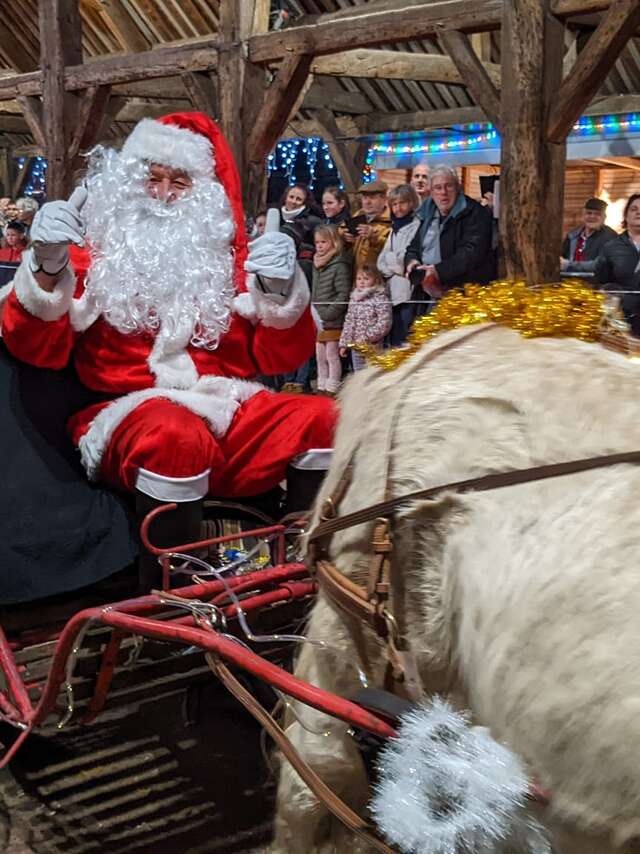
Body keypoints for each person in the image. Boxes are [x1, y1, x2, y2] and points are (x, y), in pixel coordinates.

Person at [2, 113, 336, 582]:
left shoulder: (228, 265)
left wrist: (282, 290)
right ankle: (171, 594)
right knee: (174, 435)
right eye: (152, 179)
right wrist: (46, 267)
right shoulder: (94, 256)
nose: (162, 193)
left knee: (322, 418)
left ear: (204, 195)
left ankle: (295, 572)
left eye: (179, 182)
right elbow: (34, 346)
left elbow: (282, 357)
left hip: (224, 410)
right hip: (123, 414)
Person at [405, 164, 495, 315]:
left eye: (449, 186)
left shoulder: (474, 213)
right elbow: (414, 247)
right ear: (431, 192)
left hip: (463, 296)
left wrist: (437, 271)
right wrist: (412, 261)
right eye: (438, 188)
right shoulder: (427, 214)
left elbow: (472, 252)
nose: (444, 193)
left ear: (458, 188)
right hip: (427, 295)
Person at [376, 184, 421, 345]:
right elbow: (381, 261)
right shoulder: (394, 227)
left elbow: (404, 260)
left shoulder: (416, 226)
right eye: (394, 204)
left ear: (411, 203)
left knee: (406, 339)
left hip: (407, 293)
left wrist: (393, 262)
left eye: (402, 203)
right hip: (392, 292)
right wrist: (391, 262)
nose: (398, 208)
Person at [311, 225, 352, 396]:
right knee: (320, 355)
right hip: (319, 318)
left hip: (332, 318)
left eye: (323, 242)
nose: (319, 246)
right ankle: (321, 385)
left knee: (332, 356)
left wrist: (329, 313)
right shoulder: (317, 263)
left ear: (333, 242)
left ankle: (333, 387)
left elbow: (343, 293)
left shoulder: (339, 264)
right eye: (317, 242)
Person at [595, 193, 640, 336]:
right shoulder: (611, 247)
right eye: (634, 209)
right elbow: (603, 281)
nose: (639, 212)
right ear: (626, 216)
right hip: (623, 321)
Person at [339, 265, 392, 371]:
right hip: (356, 345)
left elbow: (384, 323)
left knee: (372, 373)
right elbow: (349, 322)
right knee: (358, 374)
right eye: (359, 279)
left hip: (373, 345)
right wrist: (344, 343)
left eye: (366, 279)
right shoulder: (354, 299)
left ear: (375, 280)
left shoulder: (380, 298)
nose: (362, 282)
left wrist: (368, 336)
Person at [561, 198, 617, 274]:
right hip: (570, 281)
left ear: (604, 217)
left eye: (597, 214)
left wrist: (568, 265)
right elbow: (562, 258)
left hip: (597, 283)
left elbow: (600, 265)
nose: (592, 216)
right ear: (583, 215)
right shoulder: (572, 235)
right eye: (589, 213)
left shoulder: (611, 237)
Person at [345, 180, 391, 271]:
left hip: (378, 278)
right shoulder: (357, 216)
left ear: (384, 199)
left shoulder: (391, 222)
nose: (367, 202)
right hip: (357, 277)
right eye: (365, 198)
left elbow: (392, 250)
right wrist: (344, 237)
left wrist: (374, 237)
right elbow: (339, 231)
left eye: (372, 198)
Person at [279, 183, 321, 281]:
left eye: (298, 199)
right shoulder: (277, 217)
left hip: (302, 270)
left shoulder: (312, 221)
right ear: (285, 198)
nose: (293, 202)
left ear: (305, 203)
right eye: (291, 197)